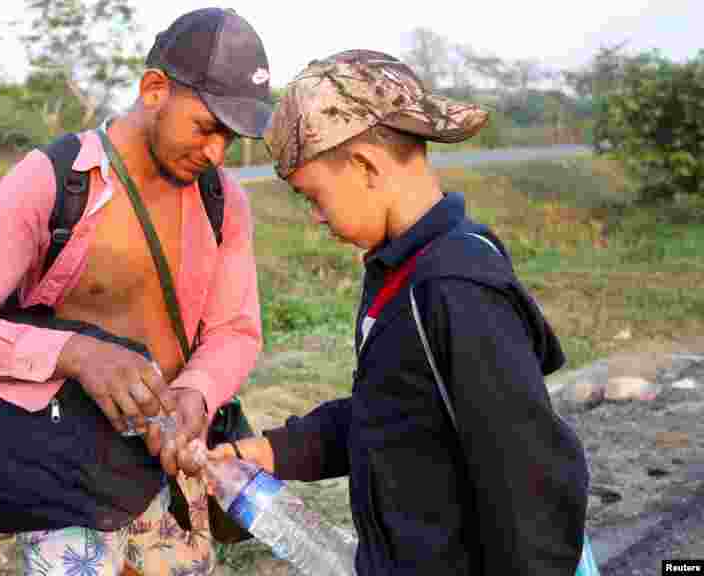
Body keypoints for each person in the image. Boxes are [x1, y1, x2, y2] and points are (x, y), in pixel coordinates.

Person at [0, 7, 270, 576]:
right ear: (154, 90)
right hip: (67, 475)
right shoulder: (56, 180)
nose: (217, 153)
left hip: (170, 469)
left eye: (230, 136)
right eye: (206, 127)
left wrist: (197, 393)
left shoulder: (222, 200)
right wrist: (77, 355)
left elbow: (235, 329)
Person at [208, 50, 590, 575]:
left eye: (313, 197)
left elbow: (529, 478)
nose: (316, 217)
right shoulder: (400, 272)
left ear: (364, 166)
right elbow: (394, 412)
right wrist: (276, 452)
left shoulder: (453, 286)